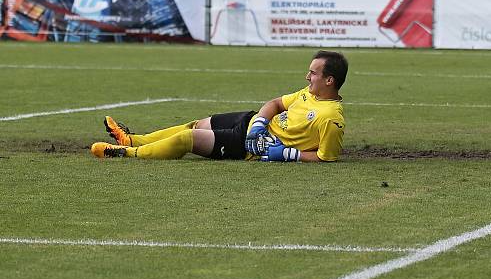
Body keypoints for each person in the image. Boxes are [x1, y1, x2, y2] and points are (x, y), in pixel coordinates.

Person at [90, 50, 348, 163]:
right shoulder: (310, 93)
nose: (307, 77)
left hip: (251, 146)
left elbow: (327, 157)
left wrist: (288, 154)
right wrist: (259, 122)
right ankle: (132, 140)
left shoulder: (331, 119)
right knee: (195, 124)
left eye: (313, 73)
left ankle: (125, 154)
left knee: (187, 139)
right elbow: (276, 103)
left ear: (329, 80)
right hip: (251, 124)